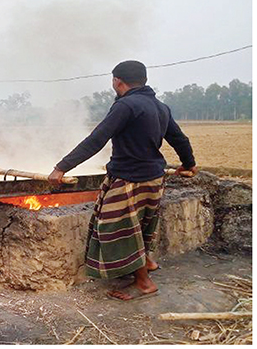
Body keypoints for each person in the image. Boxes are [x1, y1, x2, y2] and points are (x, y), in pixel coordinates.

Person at [48, 60, 197, 301]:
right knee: (142, 223)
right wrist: (189, 164)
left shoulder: (125, 106)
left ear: (117, 81)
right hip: (154, 179)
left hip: (129, 179)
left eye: (113, 81)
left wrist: (61, 167)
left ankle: (144, 284)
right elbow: (179, 139)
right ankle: (146, 262)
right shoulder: (160, 107)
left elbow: (96, 139)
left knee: (117, 229)